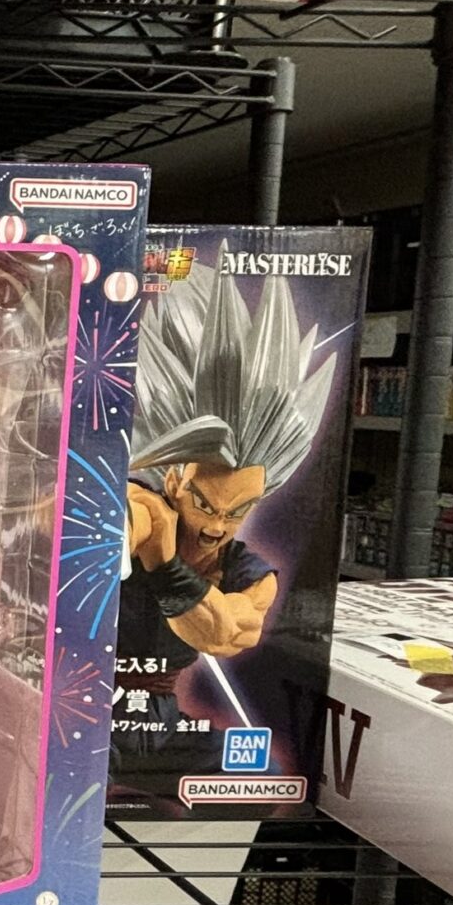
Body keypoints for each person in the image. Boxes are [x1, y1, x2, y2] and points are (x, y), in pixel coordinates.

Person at [118, 257, 339, 734]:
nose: (217, 526)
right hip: (82, 713)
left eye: (237, 511)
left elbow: (228, 633)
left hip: (164, 721)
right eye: (204, 504)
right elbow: (101, 531)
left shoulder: (249, 573)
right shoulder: (144, 506)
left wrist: (165, 566)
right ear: (174, 481)